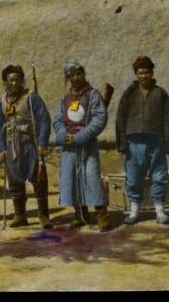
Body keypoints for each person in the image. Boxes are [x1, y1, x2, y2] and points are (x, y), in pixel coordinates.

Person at [52, 60, 111, 232]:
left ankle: (102, 216)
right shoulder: (65, 99)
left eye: (79, 74)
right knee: (72, 180)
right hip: (69, 147)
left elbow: (100, 119)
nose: (76, 78)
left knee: (91, 179)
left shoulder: (93, 95)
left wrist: (81, 137)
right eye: (72, 75)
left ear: (83, 74)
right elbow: (57, 120)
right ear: (68, 78)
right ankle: (80, 214)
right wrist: (64, 136)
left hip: (86, 146)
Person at [115, 56, 169, 225]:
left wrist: (168, 143)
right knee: (133, 178)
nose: (144, 76)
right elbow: (120, 118)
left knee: (159, 177)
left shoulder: (160, 93)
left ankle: (160, 212)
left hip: (156, 142)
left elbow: (168, 119)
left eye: (147, 72)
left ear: (152, 73)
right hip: (133, 143)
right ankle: (134, 212)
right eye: (140, 73)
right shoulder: (129, 93)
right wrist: (121, 143)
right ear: (136, 74)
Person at [0, 64, 52, 229]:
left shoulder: (32, 97)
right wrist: (2, 148)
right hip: (12, 147)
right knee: (15, 182)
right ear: (5, 82)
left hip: (30, 145)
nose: (14, 83)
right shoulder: (2, 101)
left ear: (22, 80)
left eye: (17, 79)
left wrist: (42, 143)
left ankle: (43, 216)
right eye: (10, 80)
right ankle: (20, 215)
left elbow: (44, 119)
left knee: (39, 181)